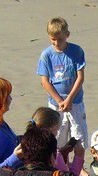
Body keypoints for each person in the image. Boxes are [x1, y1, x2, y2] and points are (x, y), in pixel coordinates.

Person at [37, 17, 88, 147]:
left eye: (60, 39)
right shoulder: (46, 55)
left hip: (75, 101)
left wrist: (69, 99)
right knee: (58, 135)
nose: (56, 43)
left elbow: (80, 77)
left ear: (67, 35)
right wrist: (60, 101)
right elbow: (45, 81)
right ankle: (61, 163)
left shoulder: (76, 51)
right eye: (53, 39)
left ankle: (79, 166)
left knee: (79, 136)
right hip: (55, 103)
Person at [30, 107, 86, 176]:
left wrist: (61, 152)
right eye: (57, 130)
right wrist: (79, 156)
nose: (57, 133)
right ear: (50, 130)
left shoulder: (26, 146)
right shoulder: (53, 156)